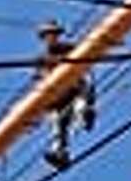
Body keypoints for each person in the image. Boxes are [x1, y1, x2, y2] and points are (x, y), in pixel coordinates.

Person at [35, 20, 96, 171]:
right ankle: (60, 154)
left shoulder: (70, 49)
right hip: (56, 98)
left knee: (80, 102)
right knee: (57, 126)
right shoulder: (42, 59)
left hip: (74, 88)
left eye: (53, 34)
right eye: (47, 35)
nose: (50, 37)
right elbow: (40, 80)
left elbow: (86, 68)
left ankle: (85, 114)